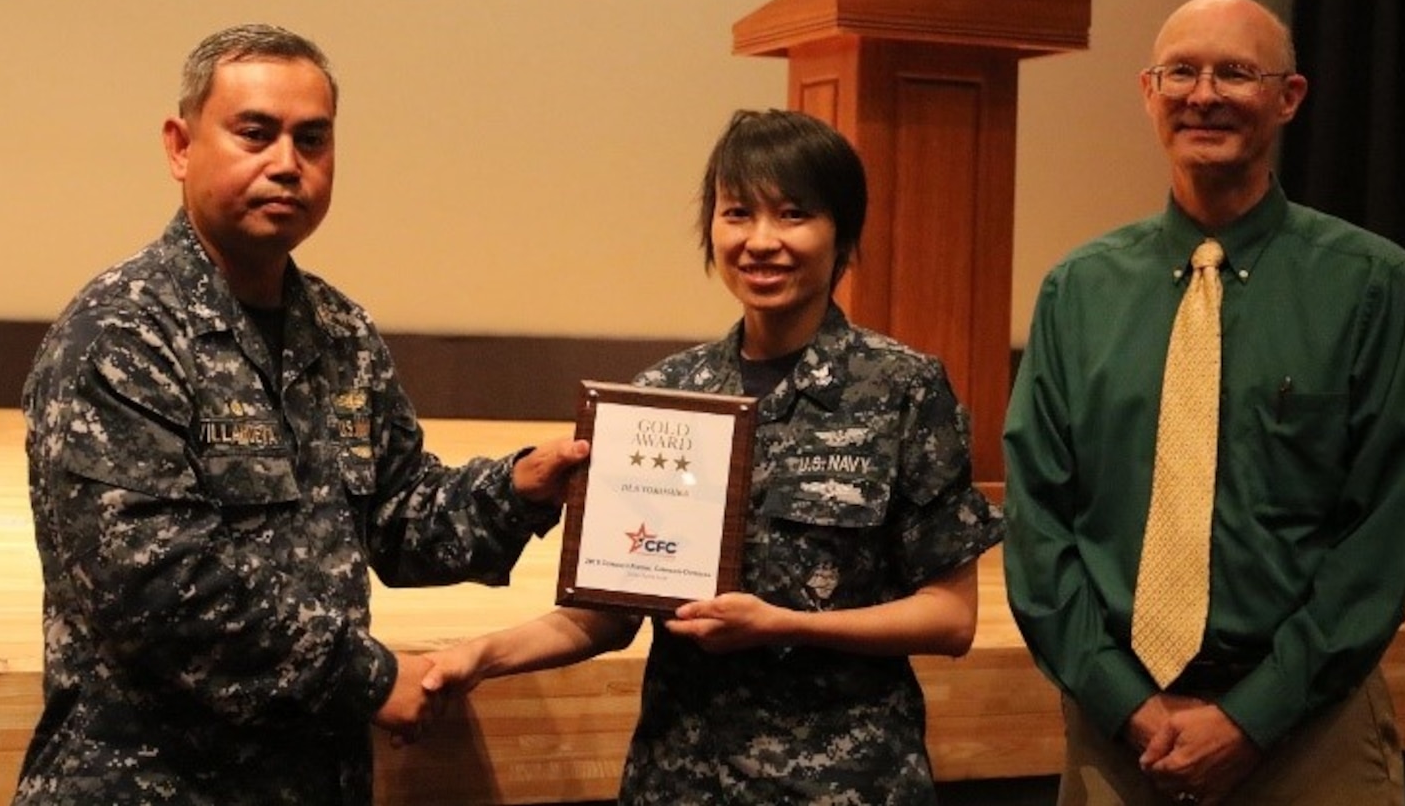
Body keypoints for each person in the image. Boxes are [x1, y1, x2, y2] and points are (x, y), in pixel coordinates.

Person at [12, 24, 588, 806]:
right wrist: (371, 676)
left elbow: (396, 514)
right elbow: (155, 585)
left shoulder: (339, 331)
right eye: (255, 134)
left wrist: (520, 487)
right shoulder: (122, 332)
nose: (286, 163)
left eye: (311, 140)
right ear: (180, 146)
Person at [421, 108, 1004, 804]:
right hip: (680, 780)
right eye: (737, 214)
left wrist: (781, 625)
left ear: (842, 235)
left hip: (843, 786)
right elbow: (603, 616)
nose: (761, 242)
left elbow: (948, 617)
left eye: (792, 215)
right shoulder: (662, 397)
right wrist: (477, 656)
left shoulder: (903, 389)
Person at [1002, 0, 1405, 806]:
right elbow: (1037, 526)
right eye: (1180, 72)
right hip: (1120, 730)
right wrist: (1124, 703)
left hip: (1308, 728)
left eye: (1234, 73)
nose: (1201, 95)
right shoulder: (1077, 291)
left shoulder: (1372, 287)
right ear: (1147, 90)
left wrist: (1253, 716)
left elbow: (1379, 535)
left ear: (1288, 97)